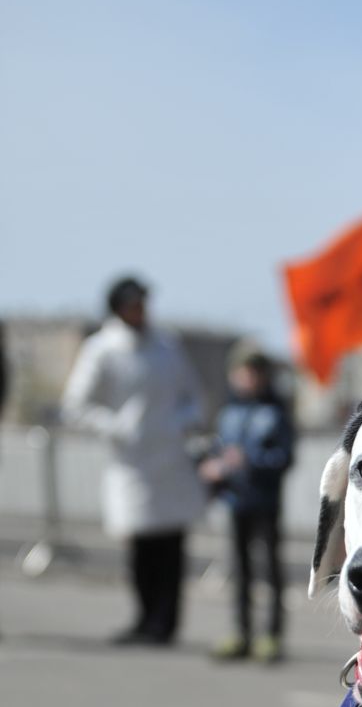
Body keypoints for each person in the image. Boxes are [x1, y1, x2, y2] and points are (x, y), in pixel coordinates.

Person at [61, 276, 206, 645]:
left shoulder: (166, 344)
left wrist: (181, 421)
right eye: (133, 304)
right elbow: (76, 406)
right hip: (132, 463)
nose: (140, 311)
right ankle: (145, 619)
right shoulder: (102, 349)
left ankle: (166, 622)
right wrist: (116, 426)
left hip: (170, 460)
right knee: (142, 545)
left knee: (172, 544)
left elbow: (194, 397)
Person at [201, 342, 295, 662]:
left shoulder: (274, 414)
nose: (248, 379)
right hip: (235, 501)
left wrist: (249, 461)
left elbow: (283, 458)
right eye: (243, 373)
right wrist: (213, 468)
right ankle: (241, 631)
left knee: (269, 568)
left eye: (255, 373)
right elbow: (218, 452)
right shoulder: (228, 414)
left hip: (265, 501)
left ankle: (271, 634)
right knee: (238, 569)